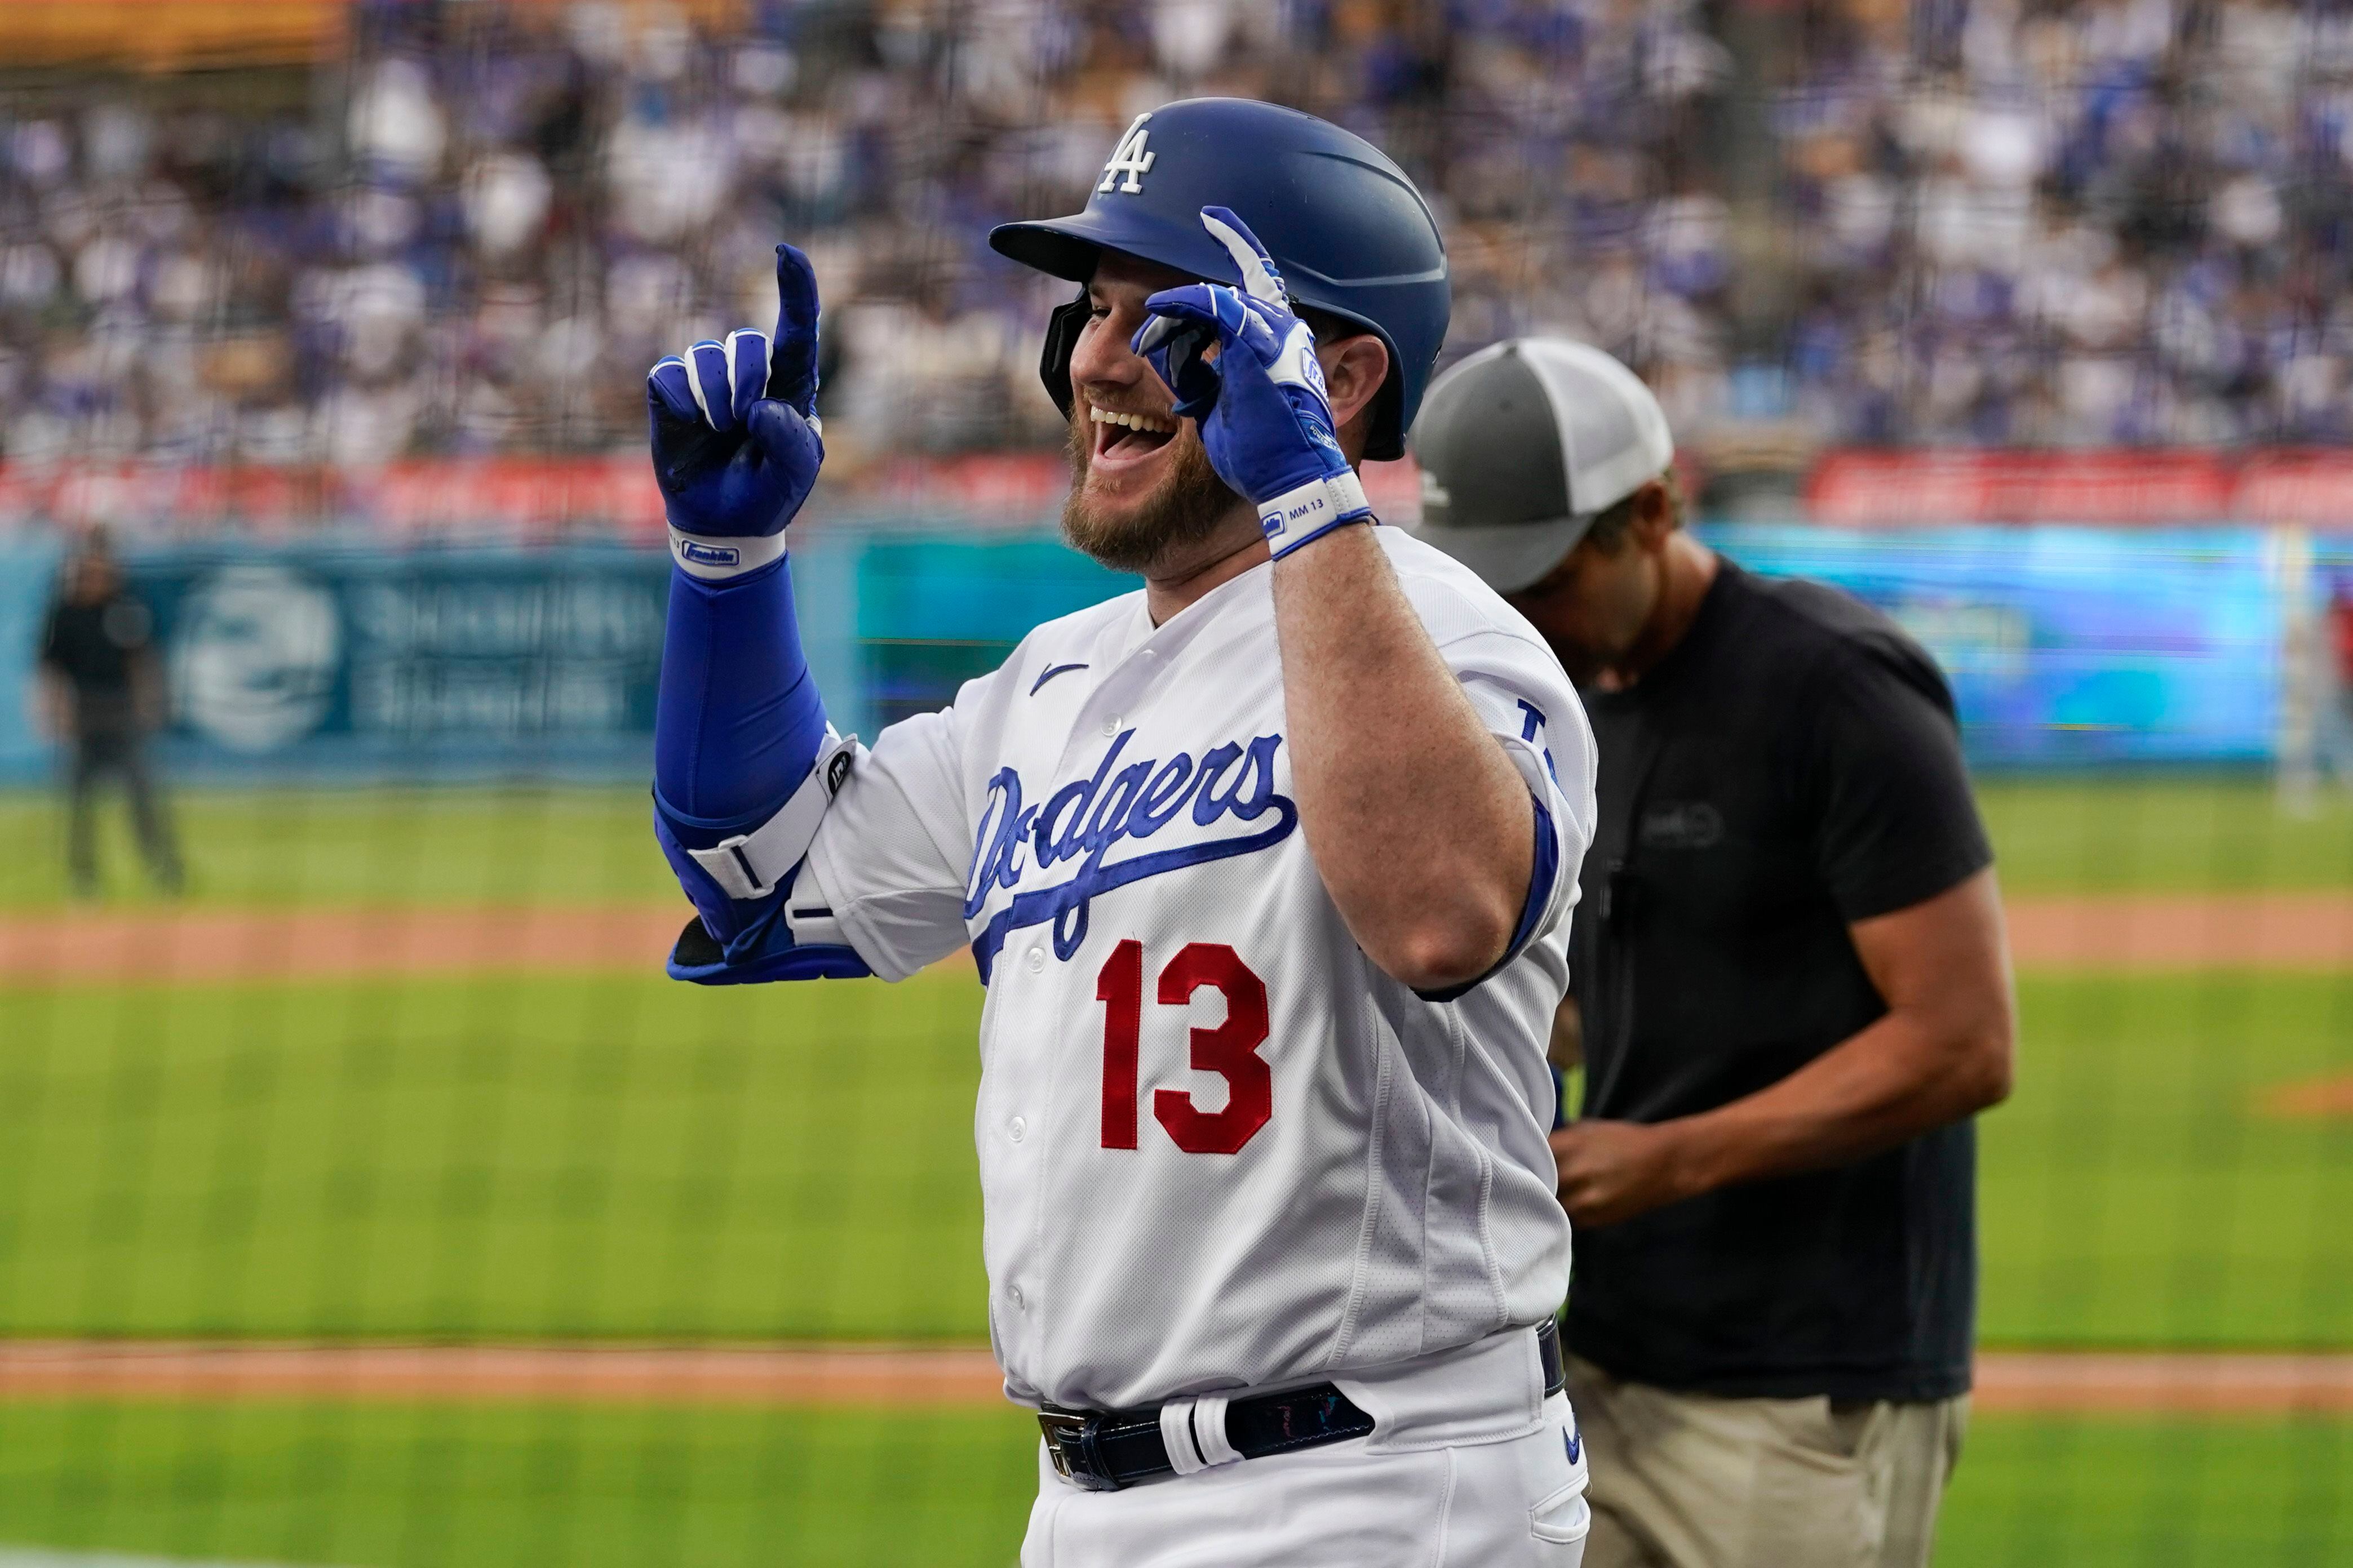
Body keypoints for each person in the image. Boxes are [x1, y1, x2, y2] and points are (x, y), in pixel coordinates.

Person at [641, 100, 1599, 1565]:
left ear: (1336, 373)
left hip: (1380, 1481)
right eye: (1090, 308)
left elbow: (1438, 912)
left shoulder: (1450, 637)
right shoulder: (1047, 682)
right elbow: (766, 881)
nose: (1098, 354)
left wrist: (1303, 496)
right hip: (1083, 1501)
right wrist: (726, 563)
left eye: (1171, 317)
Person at [1407, 338, 2017, 1568]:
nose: (1517, 616)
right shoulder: (1552, 707)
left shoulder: (1832, 684)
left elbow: (1961, 1041)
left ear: (1649, 510)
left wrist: (1665, 1157)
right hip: (1590, 1360)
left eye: (1544, 577)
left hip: (1798, 1392)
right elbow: (1607, 1005)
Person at [37, 529, 184, 898]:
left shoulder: (125, 606)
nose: (99, 575)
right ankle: (83, 876)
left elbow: (141, 659)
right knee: (80, 800)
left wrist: (150, 703)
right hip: (84, 711)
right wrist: (54, 711)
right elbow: (50, 669)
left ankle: (161, 867)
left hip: (121, 711)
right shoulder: (64, 612)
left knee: (142, 795)